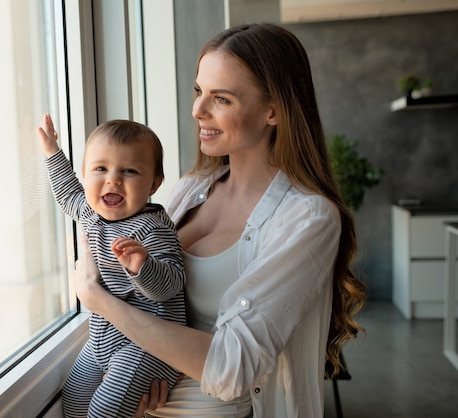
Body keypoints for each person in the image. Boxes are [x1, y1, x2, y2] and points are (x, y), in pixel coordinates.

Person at [71, 23, 366, 418]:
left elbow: (231, 368)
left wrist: (99, 302)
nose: (197, 110)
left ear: (273, 110)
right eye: (198, 91)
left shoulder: (307, 218)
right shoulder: (189, 190)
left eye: (221, 99)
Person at [37, 114, 186, 417]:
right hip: (102, 342)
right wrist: (53, 152)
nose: (113, 179)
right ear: (85, 174)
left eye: (129, 171)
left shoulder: (151, 230)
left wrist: (142, 267)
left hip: (148, 345)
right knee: (75, 402)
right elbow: (68, 195)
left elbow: (172, 284)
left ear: (154, 184)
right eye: (100, 169)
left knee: (104, 411)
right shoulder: (93, 215)